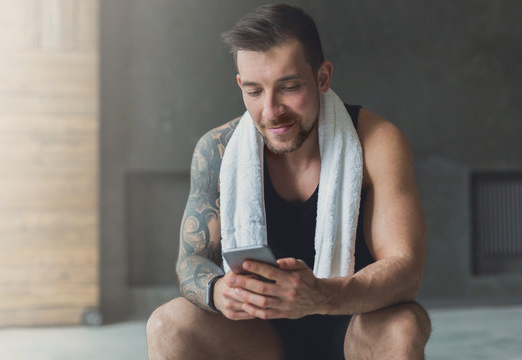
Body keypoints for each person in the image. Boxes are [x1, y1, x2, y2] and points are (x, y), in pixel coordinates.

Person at [146, 4, 431, 359]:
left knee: (404, 325)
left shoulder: (377, 142)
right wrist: (219, 291)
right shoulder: (216, 150)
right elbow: (192, 261)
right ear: (240, 85)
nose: (271, 110)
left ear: (323, 78)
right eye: (254, 91)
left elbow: (406, 269)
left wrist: (322, 296)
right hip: (262, 339)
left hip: (357, 327)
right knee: (166, 324)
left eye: (289, 87)